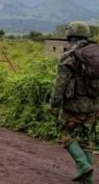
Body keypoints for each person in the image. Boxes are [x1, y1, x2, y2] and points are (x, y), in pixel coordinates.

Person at [49, 21, 99, 184]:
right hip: (93, 105)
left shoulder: (69, 56)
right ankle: (89, 179)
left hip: (73, 105)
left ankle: (83, 165)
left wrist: (53, 104)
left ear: (69, 36)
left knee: (64, 131)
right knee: (86, 137)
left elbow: (60, 83)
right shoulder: (94, 54)